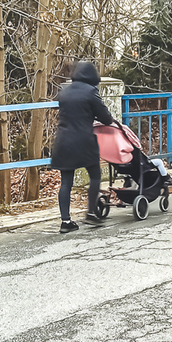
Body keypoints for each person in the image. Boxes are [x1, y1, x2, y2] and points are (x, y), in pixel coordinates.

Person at [51, 61, 114, 233]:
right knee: (95, 175)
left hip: (63, 141)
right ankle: (92, 213)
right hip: (84, 141)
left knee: (66, 183)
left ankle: (66, 222)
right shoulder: (90, 92)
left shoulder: (63, 91)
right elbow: (105, 117)